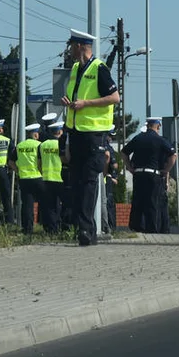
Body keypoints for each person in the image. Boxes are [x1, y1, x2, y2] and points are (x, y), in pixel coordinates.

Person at [61, 29, 120, 246]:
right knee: (76, 183)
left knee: (88, 183)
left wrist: (85, 104)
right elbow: (79, 97)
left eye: (71, 46)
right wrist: (71, 103)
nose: (69, 50)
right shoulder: (77, 68)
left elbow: (115, 97)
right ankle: (85, 230)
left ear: (79, 46)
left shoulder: (99, 68)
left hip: (94, 136)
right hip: (76, 133)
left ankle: (85, 231)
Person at [123, 117, 176, 233]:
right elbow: (173, 155)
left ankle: (136, 227)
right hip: (153, 175)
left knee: (138, 200)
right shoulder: (159, 140)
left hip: (138, 174)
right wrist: (166, 170)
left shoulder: (138, 138)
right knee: (152, 202)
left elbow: (124, 152)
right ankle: (152, 229)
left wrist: (129, 167)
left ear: (148, 125)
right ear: (158, 126)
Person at [12, 120, 46, 235]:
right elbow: (41, 162)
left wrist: (18, 171)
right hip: (38, 177)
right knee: (44, 202)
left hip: (24, 179)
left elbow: (10, 162)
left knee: (27, 204)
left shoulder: (20, 146)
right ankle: (46, 226)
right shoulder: (39, 145)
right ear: (35, 134)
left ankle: (27, 229)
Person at [38, 117, 65, 234]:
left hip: (46, 178)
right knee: (62, 205)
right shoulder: (61, 144)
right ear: (59, 132)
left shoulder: (42, 145)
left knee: (49, 206)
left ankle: (51, 229)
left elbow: (38, 163)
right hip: (60, 178)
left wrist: (42, 172)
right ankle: (62, 227)